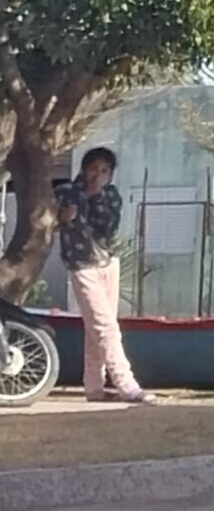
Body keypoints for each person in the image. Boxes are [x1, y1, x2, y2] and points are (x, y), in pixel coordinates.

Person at [56, 146, 147, 403]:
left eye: (104, 170)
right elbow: (47, 222)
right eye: (93, 169)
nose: (97, 174)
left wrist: (95, 196)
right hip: (82, 266)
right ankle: (125, 383)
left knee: (96, 328)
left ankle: (94, 387)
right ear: (84, 169)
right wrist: (63, 217)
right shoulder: (66, 193)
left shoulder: (111, 195)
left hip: (108, 262)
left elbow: (108, 227)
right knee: (105, 326)